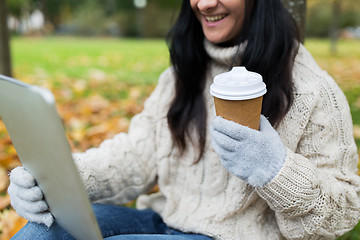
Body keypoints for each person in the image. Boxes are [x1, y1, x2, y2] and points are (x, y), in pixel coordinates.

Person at [7, 0, 360, 239]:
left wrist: (276, 169)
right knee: (43, 230)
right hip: (166, 220)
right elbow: (135, 156)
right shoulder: (181, 75)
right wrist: (55, 180)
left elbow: (343, 212)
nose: (204, 3)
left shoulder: (313, 90)